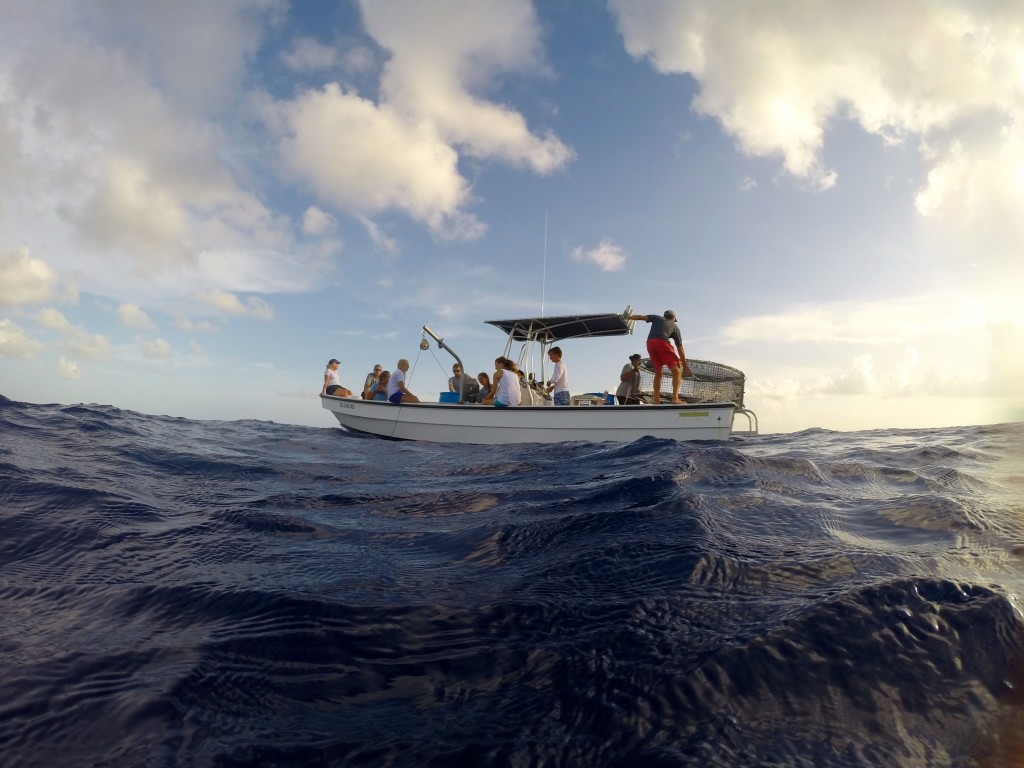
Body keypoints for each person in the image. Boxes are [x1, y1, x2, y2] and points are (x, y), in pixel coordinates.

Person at [624, 310, 692, 404]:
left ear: (664, 316)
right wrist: (684, 365)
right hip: (662, 342)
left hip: (650, 344)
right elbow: (680, 348)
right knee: (677, 372)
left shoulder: (657, 318)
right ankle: (675, 399)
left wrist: (628, 317)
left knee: (659, 373)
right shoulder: (675, 327)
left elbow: (640, 317)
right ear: (674, 319)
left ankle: (656, 400)